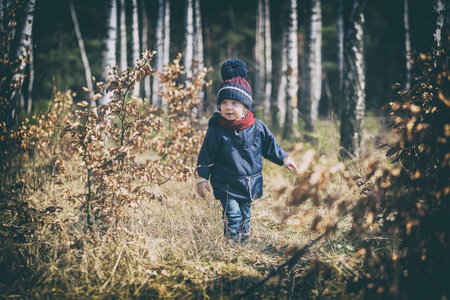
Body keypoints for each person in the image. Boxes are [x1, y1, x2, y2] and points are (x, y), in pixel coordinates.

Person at [196, 58, 298, 243]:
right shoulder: (216, 129)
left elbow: (270, 146)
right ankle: (232, 243)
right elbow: (206, 155)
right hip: (225, 182)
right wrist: (202, 178)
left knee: (245, 214)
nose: (228, 107)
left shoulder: (256, 127)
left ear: (245, 107)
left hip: (249, 183)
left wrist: (284, 158)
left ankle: (243, 240)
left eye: (234, 103)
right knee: (232, 214)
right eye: (224, 102)